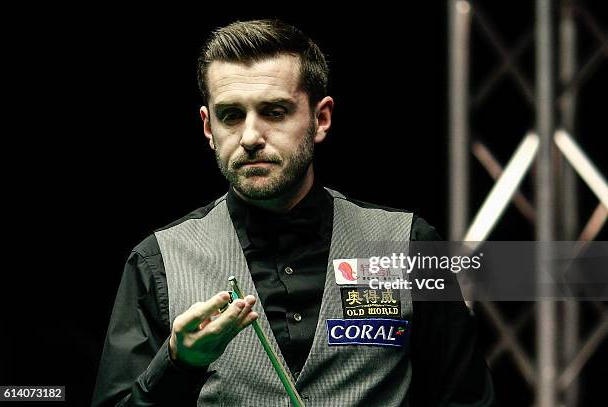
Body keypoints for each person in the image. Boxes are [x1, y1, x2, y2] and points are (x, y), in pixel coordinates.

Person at [92, 19, 495, 406]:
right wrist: (178, 365)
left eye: (275, 111)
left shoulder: (409, 243)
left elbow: (465, 399)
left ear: (321, 119)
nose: (249, 137)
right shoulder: (157, 261)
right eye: (230, 115)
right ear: (208, 127)